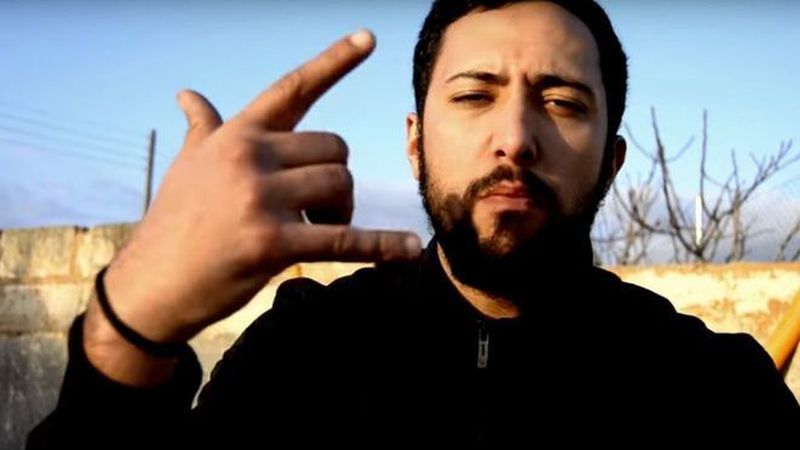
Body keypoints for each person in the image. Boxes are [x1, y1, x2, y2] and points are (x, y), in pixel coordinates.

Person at [28, 0, 799, 447]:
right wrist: (131, 327)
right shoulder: (304, 354)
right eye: (473, 95)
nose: (515, 137)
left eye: (562, 102)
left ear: (611, 161)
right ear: (415, 142)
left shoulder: (716, 392)